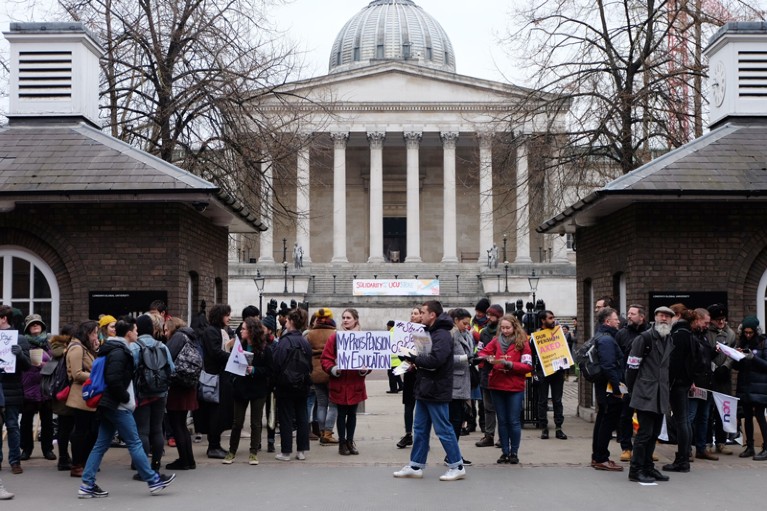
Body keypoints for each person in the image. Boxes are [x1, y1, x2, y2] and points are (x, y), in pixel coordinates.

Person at [78, 317, 175, 498]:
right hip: (117, 405)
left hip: (109, 404)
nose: (137, 333)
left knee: (101, 444)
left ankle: (87, 484)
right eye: (136, 330)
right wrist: (125, 397)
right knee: (135, 443)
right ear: (129, 332)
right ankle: (153, 480)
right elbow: (114, 380)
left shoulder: (113, 349)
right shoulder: (119, 352)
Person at [393, 300, 465, 481]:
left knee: (443, 429)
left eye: (423, 312)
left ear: (432, 315)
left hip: (436, 389)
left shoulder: (441, 334)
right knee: (420, 428)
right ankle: (416, 465)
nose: (420, 315)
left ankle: (457, 465)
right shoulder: (428, 331)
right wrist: (410, 360)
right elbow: (424, 358)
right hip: (425, 387)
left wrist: (415, 359)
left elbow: (435, 360)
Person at [625, 306, 675, 483]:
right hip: (645, 393)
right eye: (661, 316)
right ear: (655, 318)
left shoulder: (669, 338)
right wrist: (632, 390)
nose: (664, 319)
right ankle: (635, 469)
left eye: (668, 317)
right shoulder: (644, 338)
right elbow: (631, 366)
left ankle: (648, 467)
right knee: (644, 434)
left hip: (661, 394)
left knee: (654, 434)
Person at [476, 314, 533, 465]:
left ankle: (514, 452)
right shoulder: (496, 341)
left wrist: (511, 365)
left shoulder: (523, 342)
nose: (505, 331)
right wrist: (487, 358)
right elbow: (482, 353)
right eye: (502, 328)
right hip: (497, 384)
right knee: (501, 420)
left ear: (515, 327)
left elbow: (528, 366)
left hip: (515, 386)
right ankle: (504, 452)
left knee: (513, 420)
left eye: (508, 328)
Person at [130, 314, 174, 477]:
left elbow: (130, 370)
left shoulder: (134, 347)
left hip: (141, 394)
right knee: (156, 429)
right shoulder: (162, 346)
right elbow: (172, 368)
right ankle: (155, 465)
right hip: (161, 393)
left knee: (142, 431)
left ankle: (141, 467)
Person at [322, 308, 369, 455]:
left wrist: (364, 370)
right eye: (343, 317)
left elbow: (370, 359)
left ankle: (350, 441)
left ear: (356, 319)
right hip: (340, 383)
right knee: (341, 414)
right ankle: (342, 442)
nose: (345, 320)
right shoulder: (335, 337)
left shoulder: (363, 338)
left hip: (355, 383)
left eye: (348, 317)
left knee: (353, 414)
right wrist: (334, 369)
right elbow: (325, 359)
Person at [224, 316, 272, 465]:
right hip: (241, 387)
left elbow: (270, 370)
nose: (241, 331)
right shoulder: (239, 346)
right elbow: (231, 365)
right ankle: (232, 451)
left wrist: (254, 370)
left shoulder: (265, 349)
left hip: (258, 389)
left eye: (244, 328)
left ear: (251, 331)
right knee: (237, 422)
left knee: (256, 423)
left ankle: (253, 453)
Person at [272, 307, 312, 461]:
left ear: (292, 322)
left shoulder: (285, 341)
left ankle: (286, 451)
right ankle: (302, 450)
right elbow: (309, 363)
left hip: (286, 384)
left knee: (286, 417)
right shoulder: (304, 341)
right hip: (302, 383)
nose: (285, 323)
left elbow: (277, 363)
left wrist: (275, 382)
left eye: (287, 320)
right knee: (302, 415)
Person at [662, 305, 697, 473]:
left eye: (670, 315)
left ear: (676, 315)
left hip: (677, 383)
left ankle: (682, 458)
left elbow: (674, 362)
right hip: (684, 381)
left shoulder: (678, 334)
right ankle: (684, 456)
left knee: (681, 420)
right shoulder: (689, 333)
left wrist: (669, 381)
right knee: (683, 420)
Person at [589, 307, 624, 472]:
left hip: (604, 387)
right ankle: (601, 457)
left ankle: (598, 455)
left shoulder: (602, 336)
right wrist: (617, 388)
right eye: (616, 318)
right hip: (609, 388)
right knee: (606, 422)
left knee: (602, 420)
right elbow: (609, 366)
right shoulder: (607, 340)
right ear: (607, 321)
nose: (618, 321)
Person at [199, 304, 235, 459]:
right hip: (214, 378)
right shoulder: (211, 332)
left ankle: (215, 444)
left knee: (218, 412)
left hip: (218, 376)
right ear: (220, 316)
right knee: (215, 412)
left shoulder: (215, 331)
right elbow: (215, 353)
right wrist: (234, 357)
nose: (229, 318)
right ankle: (213, 446)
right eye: (227, 315)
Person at [613, 304, 648, 462]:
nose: (629, 316)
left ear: (642, 317)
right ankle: (626, 447)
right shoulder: (622, 334)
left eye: (633, 313)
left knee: (645, 416)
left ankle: (646, 448)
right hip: (626, 380)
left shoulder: (649, 334)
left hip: (645, 381)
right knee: (625, 415)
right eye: (628, 313)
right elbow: (616, 358)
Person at [20, 313, 56, 462]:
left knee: (47, 420)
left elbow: (57, 362)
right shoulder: (22, 343)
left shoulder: (50, 342)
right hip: (28, 386)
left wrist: (46, 364)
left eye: (38, 324)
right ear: (27, 328)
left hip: (45, 386)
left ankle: (47, 449)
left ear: (42, 326)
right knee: (26, 421)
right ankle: (26, 449)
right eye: (32, 324)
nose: (35, 326)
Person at [0, 305, 32, 475]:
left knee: (12, 426)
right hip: (1, 387)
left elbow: (28, 366)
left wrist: (20, 354)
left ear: (4, 318)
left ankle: (15, 461)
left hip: (12, 388)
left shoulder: (20, 339)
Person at [164, 317, 199, 470]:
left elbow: (167, 358)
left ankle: (183, 460)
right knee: (182, 425)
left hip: (177, 386)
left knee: (176, 424)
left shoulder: (177, 337)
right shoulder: (189, 337)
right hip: (188, 385)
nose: (165, 333)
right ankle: (189, 460)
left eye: (166, 330)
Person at [66, 320, 100, 478]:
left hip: (88, 394)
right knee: (81, 431)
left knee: (91, 431)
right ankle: (77, 464)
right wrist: (97, 377)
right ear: (87, 333)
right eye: (94, 332)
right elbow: (76, 374)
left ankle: (84, 461)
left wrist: (95, 348)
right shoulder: (77, 348)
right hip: (80, 395)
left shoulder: (85, 347)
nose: (96, 335)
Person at [706, 303, 738, 456]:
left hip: (724, 376)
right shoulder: (706, 332)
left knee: (723, 410)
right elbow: (704, 353)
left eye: (723, 319)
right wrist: (713, 367)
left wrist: (726, 366)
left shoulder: (730, 334)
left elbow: (733, 352)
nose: (721, 322)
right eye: (717, 319)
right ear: (711, 320)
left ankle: (721, 442)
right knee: (707, 411)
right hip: (709, 375)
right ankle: (706, 442)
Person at [734, 316, 767, 460]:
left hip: (760, 386)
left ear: (756, 332)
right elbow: (737, 367)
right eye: (745, 333)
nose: (748, 335)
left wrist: (752, 358)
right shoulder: (741, 342)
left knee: (760, 416)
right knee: (746, 416)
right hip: (745, 384)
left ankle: (766, 447)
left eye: (750, 333)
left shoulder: (763, 343)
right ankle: (750, 446)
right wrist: (736, 356)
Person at [305, 308, 339, 445]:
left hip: (316, 373)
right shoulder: (335, 334)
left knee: (321, 404)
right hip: (331, 372)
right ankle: (328, 433)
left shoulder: (310, 334)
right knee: (334, 404)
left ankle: (320, 431)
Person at [532, 310, 567, 441]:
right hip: (543, 371)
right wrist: (534, 372)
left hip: (557, 370)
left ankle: (558, 428)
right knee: (542, 401)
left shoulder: (558, 333)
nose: (553, 320)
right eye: (550, 318)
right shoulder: (537, 336)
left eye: (553, 318)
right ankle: (544, 428)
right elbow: (532, 355)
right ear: (543, 320)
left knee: (557, 400)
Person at [474, 303, 504, 448]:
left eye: (492, 315)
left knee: (501, 408)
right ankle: (489, 435)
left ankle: (502, 436)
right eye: (488, 315)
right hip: (486, 372)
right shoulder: (484, 332)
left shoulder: (503, 332)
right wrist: (480, 357)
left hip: (500, 372)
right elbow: (480, 351)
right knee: (488, 407)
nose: (489, 317)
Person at [448, 308, 474, 465]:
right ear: (456, 321)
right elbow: (445, 359)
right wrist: (466, 357)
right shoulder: (451, 335)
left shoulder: (467, 335)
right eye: (464, 323)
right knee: (455, 420)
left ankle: (453, 454)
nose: (467, 326)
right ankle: (453, 455)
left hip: (465, 380)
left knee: (459, 420)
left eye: (468, 323)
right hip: (454, 383)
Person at [50, 323, 77, 471]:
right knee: (66, 428)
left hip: (64, 392)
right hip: (64, 392)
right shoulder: (61, 348)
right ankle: (64, 458)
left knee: (65, 427)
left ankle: (65, 457)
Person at [396, 307, 422, 449]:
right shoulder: (404, 331)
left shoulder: (425, 331)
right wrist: (408, 361)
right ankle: (408, 434)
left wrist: (417, 362)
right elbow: (399, 351)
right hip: (409, 372)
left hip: (422, 373)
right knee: (408, 405)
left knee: (422, 406)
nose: (413, 316)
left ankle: (421, 436)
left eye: (416, 313)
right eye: (411, 313)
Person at [386, 319, 403, 394]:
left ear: (389, 326)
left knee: (391, 375)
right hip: (398, 359)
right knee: (396, 374)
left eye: (387, 326)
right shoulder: (398, 334)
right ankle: (401, 386)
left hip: (392, 360)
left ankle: (393, 389)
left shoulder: (389, 334)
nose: (387, 328)